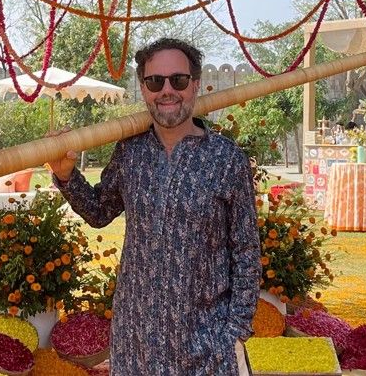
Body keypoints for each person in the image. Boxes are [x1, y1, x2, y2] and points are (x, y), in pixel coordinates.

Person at [46, 38, 261, 375]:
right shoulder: (130, 152)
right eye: (154, 81)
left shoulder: (226, 159)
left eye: (178, 80)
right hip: (136, 344)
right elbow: (100, 211)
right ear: (144, 89)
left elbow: (246, 251)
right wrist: (65, 175)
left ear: (195, 85)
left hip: (205, 347)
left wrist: (233, 331)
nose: (167, 91)